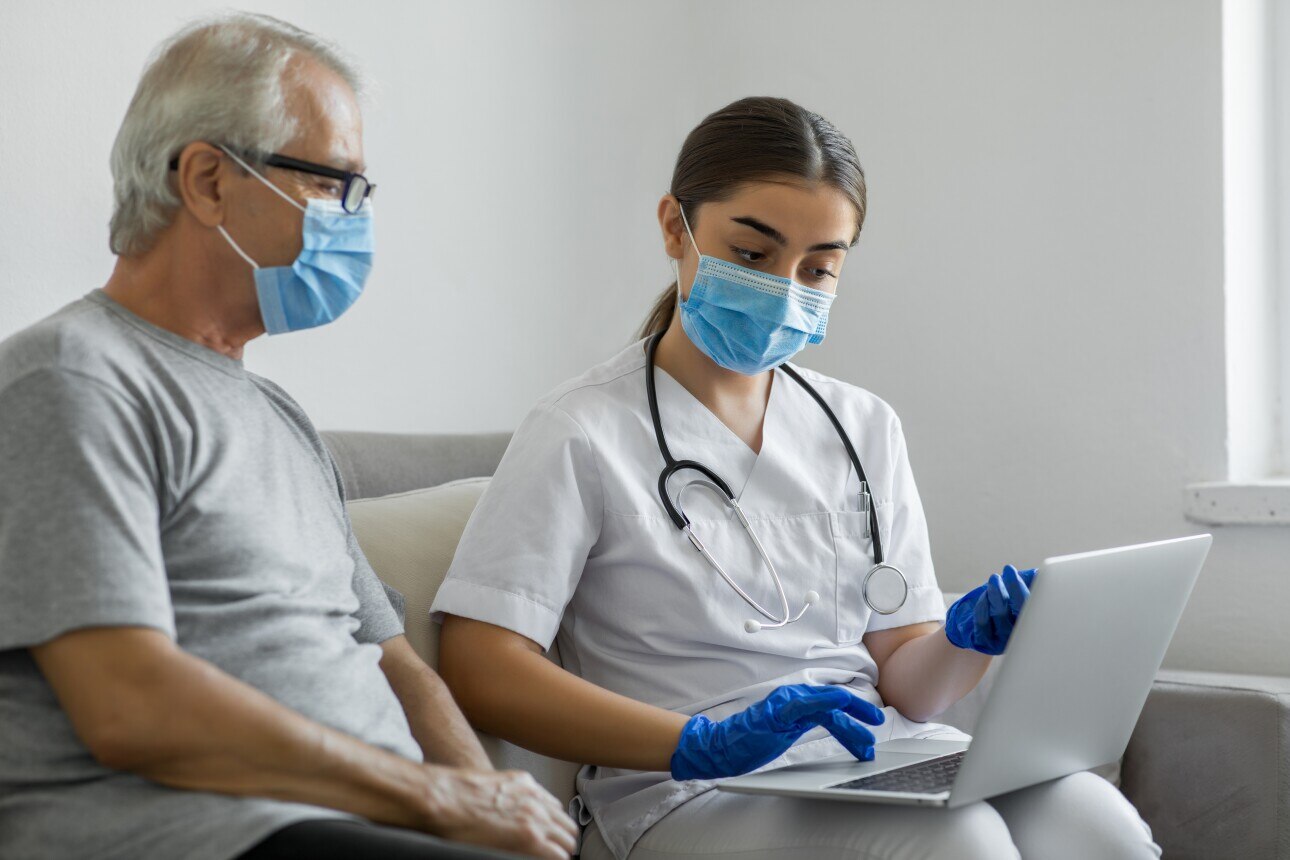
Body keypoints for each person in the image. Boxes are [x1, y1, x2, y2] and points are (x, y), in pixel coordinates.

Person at [431, 97, 1161, 859]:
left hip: (868, 756)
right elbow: (483, 667)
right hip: (688, 790)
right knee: (963, 842)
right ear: (676, 227)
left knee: (1093, 819)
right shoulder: (580, 428)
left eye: (818, 267)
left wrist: (965, 637)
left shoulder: (862, 425)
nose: (785, 288)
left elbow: (910, 684)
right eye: (753, 255)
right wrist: (701, 742)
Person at [0, 13, 575, 860]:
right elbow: (128, 706)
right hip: (200, 833)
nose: (353, 220)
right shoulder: (70, 380)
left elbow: (395, 664)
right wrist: (431, 796)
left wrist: (492, 805)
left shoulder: (277, 417)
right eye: (331, 184)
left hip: (365, 826)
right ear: (206, 180)